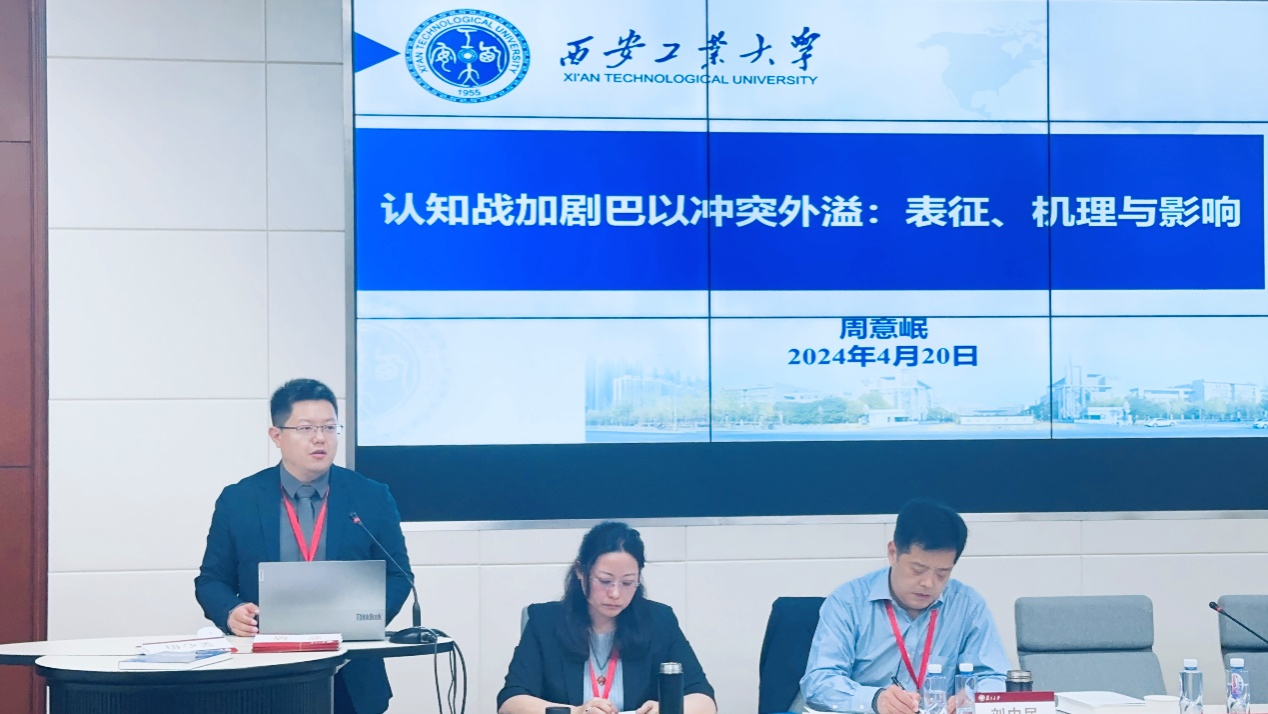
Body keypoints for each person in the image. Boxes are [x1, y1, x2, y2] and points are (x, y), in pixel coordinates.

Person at [194, 378, 413, 714]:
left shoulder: (371, 496)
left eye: (329, 427)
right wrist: (231, 612)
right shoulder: (239, 499)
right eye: (306, 428)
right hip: (263, 674)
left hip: (350, 671)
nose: (320, 438)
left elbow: (399, 576)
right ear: (277, 436)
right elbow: (211, 580)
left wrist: (365, 620)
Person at [801, 500, 1009, 714]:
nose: (928, 583)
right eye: (918, 569)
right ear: (893, 553)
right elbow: (818, 682)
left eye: (942, 573)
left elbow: (995, 676)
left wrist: (976, 697)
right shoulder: (848, 602)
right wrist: (874, 700)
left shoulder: (968, 606)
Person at [498, 522, 717, 714]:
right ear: (580, 571)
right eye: (604, 581)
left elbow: (704, 700)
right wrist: (576, 712)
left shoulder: (659, 620)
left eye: (627, 582)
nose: (615, 593)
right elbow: (510, 702)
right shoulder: (544, 622)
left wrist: (668, 709)